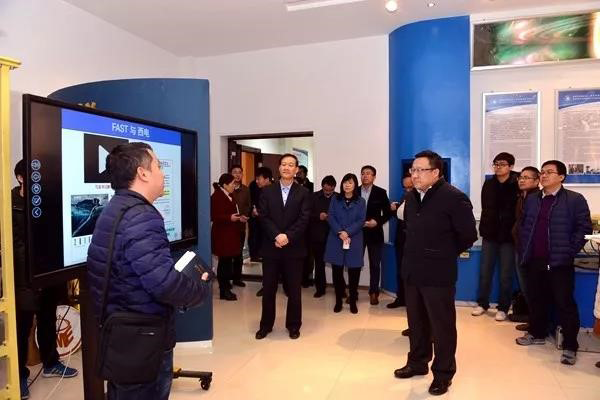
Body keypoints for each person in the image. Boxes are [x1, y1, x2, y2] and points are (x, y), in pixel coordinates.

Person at [87, 143, 210, 399]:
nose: (163, 173)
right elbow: (163, 283)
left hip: (123, 333)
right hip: (142, 338)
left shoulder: (115, 207)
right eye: (158, 166)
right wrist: (199, 290)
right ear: (142, 173)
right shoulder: (142, 216)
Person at [394, 150, 477, 396]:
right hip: (412, 271)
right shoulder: (411, 197)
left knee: (442, 327)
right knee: (416, 322)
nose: (414, 175)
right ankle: (417, 363)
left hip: (438, 273)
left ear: (436, 172)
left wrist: (442, 254)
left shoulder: (454, 197)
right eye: (412, 170)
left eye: (420, 170)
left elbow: (468, 235)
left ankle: (443, 374)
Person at [12, 160, 78, 400]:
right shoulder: (10, 205)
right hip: (23, 276)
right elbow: (15, 246)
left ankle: (50, 363)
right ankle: (19, 374)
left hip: (49, 273)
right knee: (22, 326)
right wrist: (30, 272)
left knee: (48, 318)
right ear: (21, 178)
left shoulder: (48, 202)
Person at [515, 160, 591, 366]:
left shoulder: (574, 200)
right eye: (542, 172)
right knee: (536, 300)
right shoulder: (533, 199)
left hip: (559, 262)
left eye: (549, 172)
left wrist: (568, 251)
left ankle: (570, 346)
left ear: (561, 177)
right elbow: (524, 225)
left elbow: (584, 229)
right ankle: (537, 333)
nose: (544, 175)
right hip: (534, 260)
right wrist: (524, 249)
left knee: (564, 304)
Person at [255, 154, 311, 340]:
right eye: (284, 164)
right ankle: (265, 325)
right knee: (268, 289)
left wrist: (288, 236)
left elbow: (304, 219)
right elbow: (263, 216)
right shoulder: (267, 191)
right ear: (279, 168)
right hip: (271, 247)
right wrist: (277, 235)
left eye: (291, 165)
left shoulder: (304, 193)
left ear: (296, 170)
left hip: (294, 248)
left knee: (294, 291)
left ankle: (293, 325)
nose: (287, 167)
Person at [472, 152, 519, 322]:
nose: (498, 167)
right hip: (490, 234)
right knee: (485, 272)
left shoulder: (517, 183)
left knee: (506, 274)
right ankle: (482, 303)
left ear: (511, 166)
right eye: (496, 164)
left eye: (502, 164)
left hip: (508, 236)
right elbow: (486, 208)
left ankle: (503, 307)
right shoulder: (489, 183)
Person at [324, 173, 366, 314]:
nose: (347, 185)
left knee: (354, 272)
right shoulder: (335, 199)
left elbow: (361, 220)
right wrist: (340, 232)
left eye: (350, 182)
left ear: (355, 185)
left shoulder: (361, 201)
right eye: (345, 182)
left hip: (354, 239)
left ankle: (353, 301)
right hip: (336, 239)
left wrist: (347, 232)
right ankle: (338, 301)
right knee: (337, 272)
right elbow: (331, 217)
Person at [509, 166, 540, 331]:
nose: (521, 180)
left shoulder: (538, 199)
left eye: (526, 177)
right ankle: (532, 319)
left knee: (532, 287)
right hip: (520, 246)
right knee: (525, 286)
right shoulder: (522, 197)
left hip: (531, 250)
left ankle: (537, 323)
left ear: (536, 181)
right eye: (520, 177)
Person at [360, 165, 391, 305]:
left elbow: (388, 213)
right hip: (357, 233)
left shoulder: (381, 192)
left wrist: (377, 222)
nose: (365, 176)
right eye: (363, 173)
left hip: (375, 233)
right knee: (355, 263)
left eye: (368, 173)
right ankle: (353, 292)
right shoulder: (354, 191)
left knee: (375, 264)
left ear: (374, 177)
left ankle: (373, 292)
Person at [211, 173, 244, 301]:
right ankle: (223, 291)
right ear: (225, 185)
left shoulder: (229, 195)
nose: (234, 186)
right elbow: (214, 216)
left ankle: (226, 287)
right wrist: (229, 217)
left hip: (230, 234)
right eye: (232, 184)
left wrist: (239, 217)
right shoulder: (217, 196)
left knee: (227, 262)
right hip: (222, 235)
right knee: (224, 263)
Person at [387, 175, 414, 310]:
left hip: (414, 242)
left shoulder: (422, 198)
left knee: (412, 272)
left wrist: (397, 208)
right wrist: (394, 209)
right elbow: (401, 216)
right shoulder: (404, 196)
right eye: (405, 187)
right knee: (400, 270)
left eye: (410, 187)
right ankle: (401, 298)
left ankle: (412, 302)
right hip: (401, 240)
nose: (407, 190)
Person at [310, 175, 337, 298]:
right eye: (326, 190)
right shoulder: (313, 197)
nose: (328, 193)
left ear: (334, 188)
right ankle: (320, 289)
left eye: (330, 191)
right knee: (319, 263)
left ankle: (340, 289)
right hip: (317, 236)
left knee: (337, 265)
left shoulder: (338, 197)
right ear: (322, 187)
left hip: (334, 236)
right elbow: (306, 214)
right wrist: (318, 216)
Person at [252, 167, 273, 297]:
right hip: (264, 234)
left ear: (266, 179)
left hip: (275, 234)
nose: (257, 181)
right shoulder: (260, 191)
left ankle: (286, 287)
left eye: (259, 179)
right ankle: (267, 287)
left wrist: (259, 214)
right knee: (267, 263)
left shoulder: (276, 192)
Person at [230, 164, 251, 288]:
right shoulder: (227, 189)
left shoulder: (246, 189)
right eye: (235, 172)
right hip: (229, 226)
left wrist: (245, 215)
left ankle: (237, 278)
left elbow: (248, 205)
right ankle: (227, 279)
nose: (237, 175)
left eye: (239, 172)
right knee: (228, 254)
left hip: (240, 226)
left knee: (238, 253)